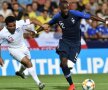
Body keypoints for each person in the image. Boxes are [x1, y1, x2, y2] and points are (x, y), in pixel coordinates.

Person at [37, 1, 106, 90]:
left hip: (76, 44)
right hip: (64, 41)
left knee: (68, 65)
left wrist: (104, 21)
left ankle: (63, 60)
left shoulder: (75, 13)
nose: (66, 11)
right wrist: (35, 32)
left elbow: (91, 17)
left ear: (68, 8)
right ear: (60, 9)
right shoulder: (57, 17)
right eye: (64, 9)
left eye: (67, 9)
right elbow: (46, 25)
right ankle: (72, 85)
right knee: (64, 62)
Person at [0, 16, 45, 90]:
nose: (13, 27)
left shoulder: (19, 23)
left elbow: (33, 20)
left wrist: (42, 25)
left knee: (27, 63)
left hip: (23, 46)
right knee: (28, 63)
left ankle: (20, 72)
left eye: (14, 25)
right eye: (10, 26)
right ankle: (39, 83)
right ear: (6, 25)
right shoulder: (2, 33)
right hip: (13, 49)